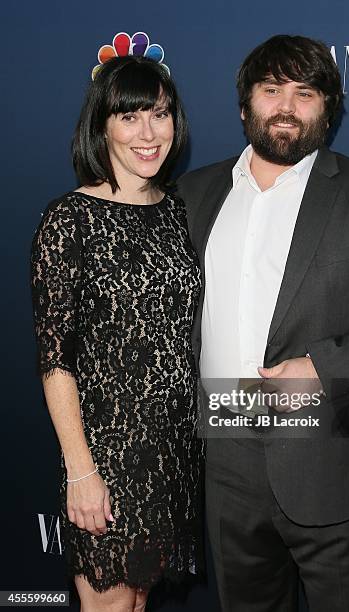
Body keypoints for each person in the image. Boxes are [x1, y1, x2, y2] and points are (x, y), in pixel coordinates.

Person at [177, 34, 349, 612]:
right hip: (225, 466)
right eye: (272, 90)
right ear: (246, 103)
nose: (287, 107)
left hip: (333, 461)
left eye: (306, 93)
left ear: (329, 107)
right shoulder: (194, 194)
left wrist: (323, 366)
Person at [31, 55, 203, 612]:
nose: (148, 134)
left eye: (159, 114)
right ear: (101, 125)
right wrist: (81, 471)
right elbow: (55, 360)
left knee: (137, 603)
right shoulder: (69, 221)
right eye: (129, 118)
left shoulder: (178, 212)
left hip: (174, 451)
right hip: (108, 453)